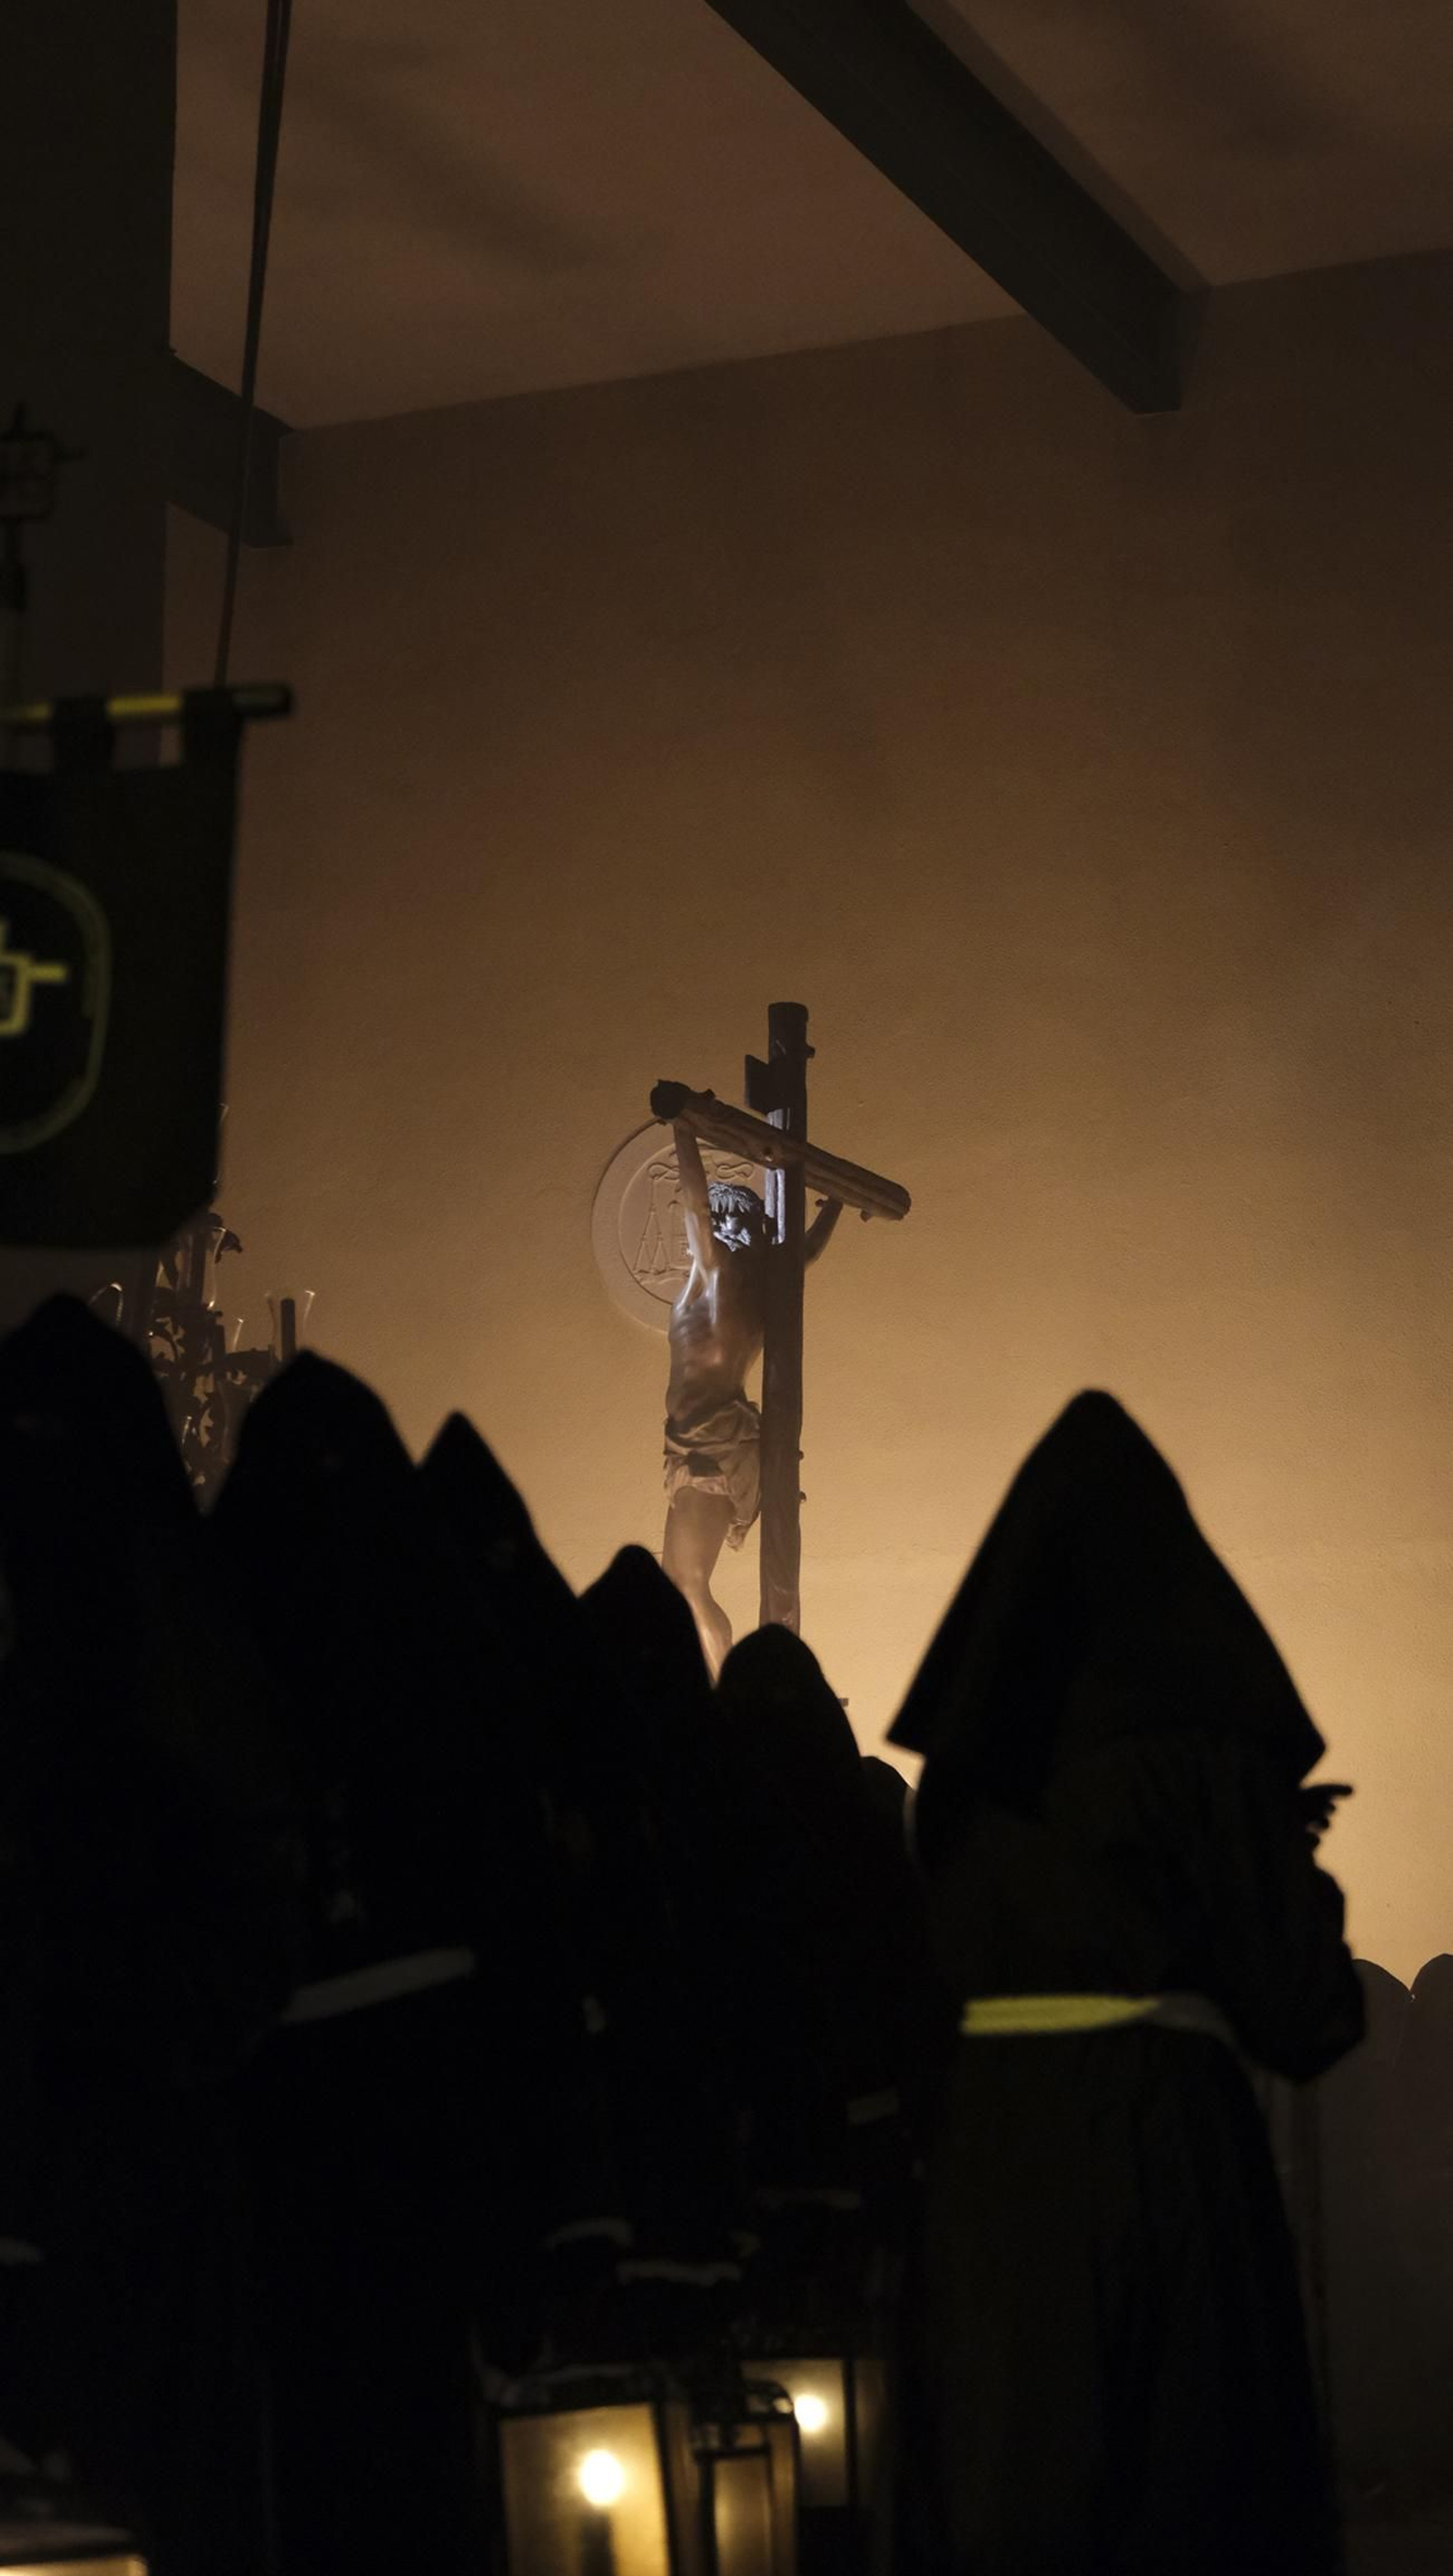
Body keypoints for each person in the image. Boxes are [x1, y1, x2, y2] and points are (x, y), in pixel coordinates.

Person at [887, 1390, 1364, 2576]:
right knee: (1187, 2495)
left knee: (1014, 2494)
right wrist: (1282, 1866)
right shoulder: (1196, 1743)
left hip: (991, 2169)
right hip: (1164, 2153)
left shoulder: (966, 1776)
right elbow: (1306, 2011)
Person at [662, 1119, 838, 1673]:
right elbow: (804, 1250)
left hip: (709, 1445)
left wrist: (684, 1130)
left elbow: (693, 1200)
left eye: (715, 1221)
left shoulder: (715, 1274)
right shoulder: (763, 1292)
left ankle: (726, 1693)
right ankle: (721, 1687)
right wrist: (834, 1202)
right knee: (683, 1586)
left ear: (722, 1223)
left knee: (686, 1586)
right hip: (712, 1441)